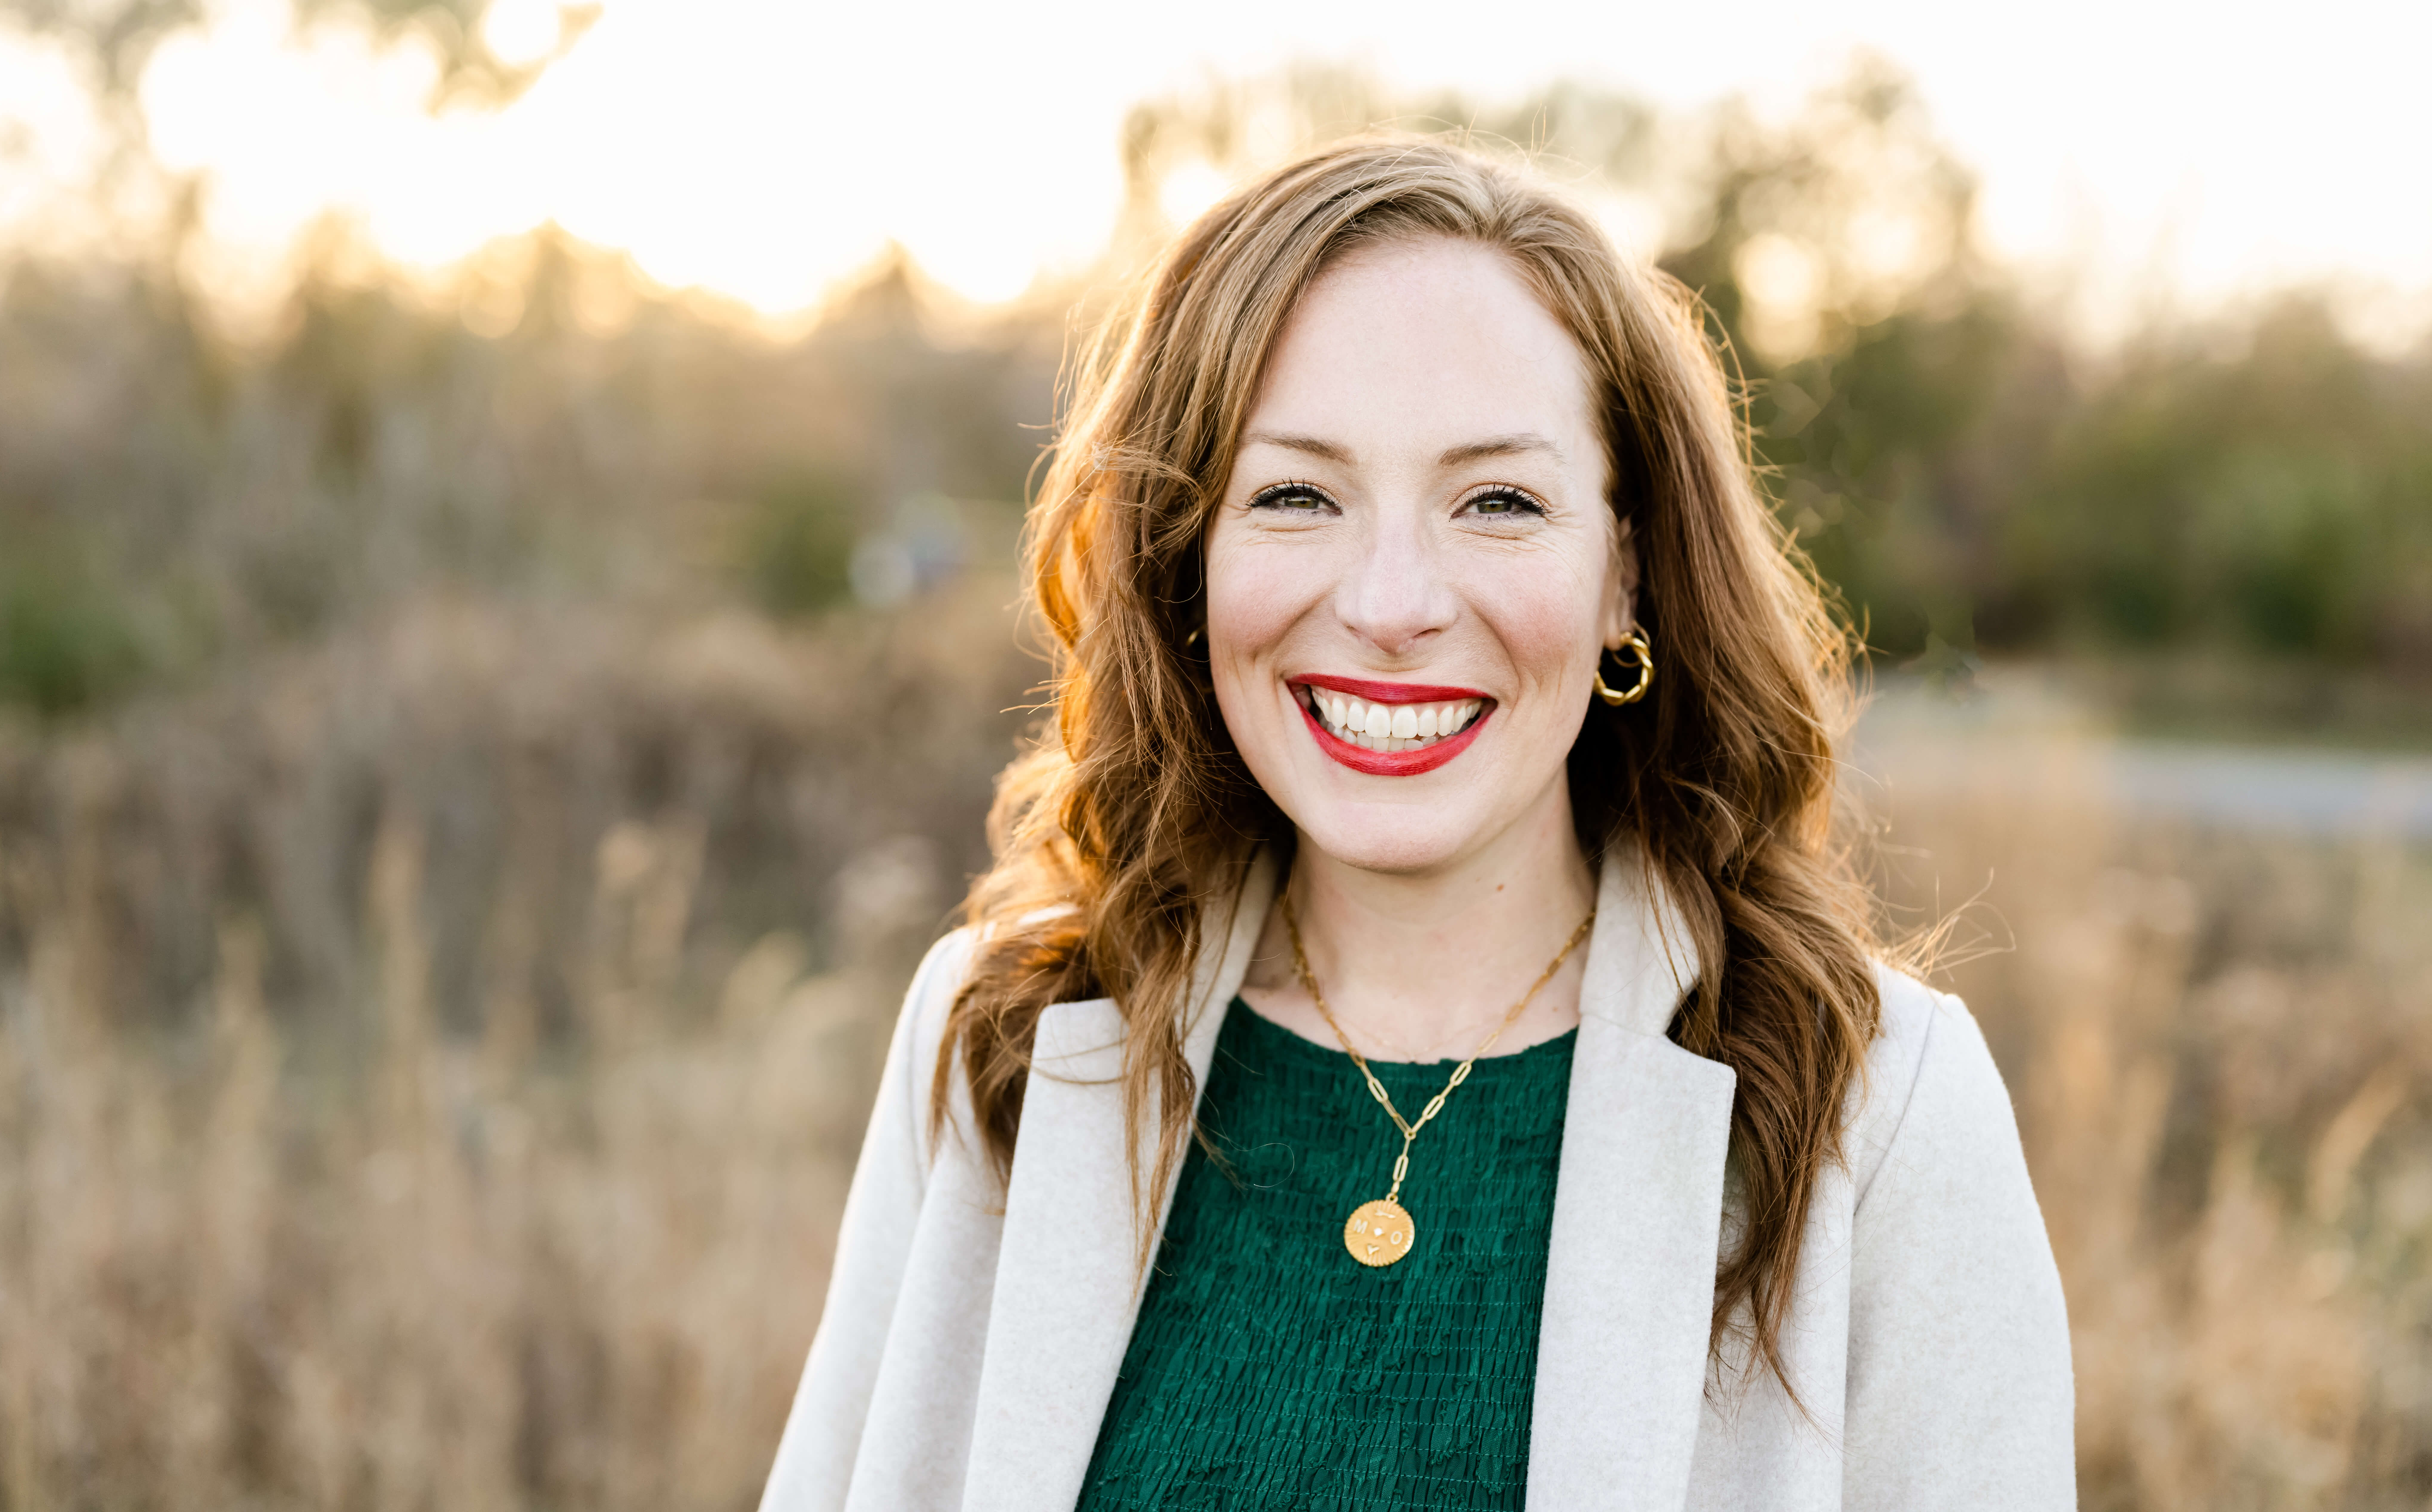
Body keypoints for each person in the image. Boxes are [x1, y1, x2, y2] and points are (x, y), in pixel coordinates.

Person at [759, 139, 2074, 1511]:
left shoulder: (1877, 1105)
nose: (1392, 604)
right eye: (1296, 494)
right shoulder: (1006, 1034)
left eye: (1498, 501)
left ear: (1627, 570)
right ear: (1185, 559)